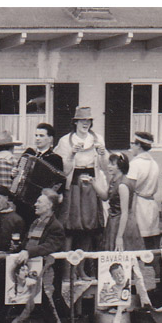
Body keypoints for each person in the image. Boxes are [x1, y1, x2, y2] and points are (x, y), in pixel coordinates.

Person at [54, 107, 108, 279]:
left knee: (88, 229)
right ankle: (67, 272)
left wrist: (103, 154)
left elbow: (105, 167)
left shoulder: (97, 139)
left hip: (91, 187)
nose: (86, 123)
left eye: (89, 120)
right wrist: (71, 154)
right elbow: (62, 169)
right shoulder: (65, 141)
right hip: (74, 186)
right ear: (75, 122)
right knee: (70, 229)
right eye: (82, 120)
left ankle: (81, 270)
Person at [11, 123, 66, 225]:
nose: (37, 138)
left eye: (41, 136)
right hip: (21, 200)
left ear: (50, 139)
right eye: (36, 135)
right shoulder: (29, 153)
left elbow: (60, 182)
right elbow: (17, 175)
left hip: (40, 203)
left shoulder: (55, 159)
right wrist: (14, 173)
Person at [0, 185, 26, 323]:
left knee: (5, 301)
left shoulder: (16, 219)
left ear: (7, 198)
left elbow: (18, 244)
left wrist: (14, 247)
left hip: (6, 264)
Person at [95, 152, 143, 252]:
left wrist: (119, 237)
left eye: (112, 164)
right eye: (109, 163)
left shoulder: (122, 185)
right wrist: (93, 183)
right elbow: (105, 197)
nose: (109, 166)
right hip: (113, 220)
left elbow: (125, 213)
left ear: (120, 166)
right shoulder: (114, 180)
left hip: (121, 223)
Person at [127, 131, 162, 250]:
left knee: (136, 242)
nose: (131, 146)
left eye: (132, 143)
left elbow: (129, 189)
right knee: (150, 243)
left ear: (139, 146)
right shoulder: (155, 164)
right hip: (151, 205)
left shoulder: (135, 164)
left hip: (138, 206)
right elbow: (156, 188)